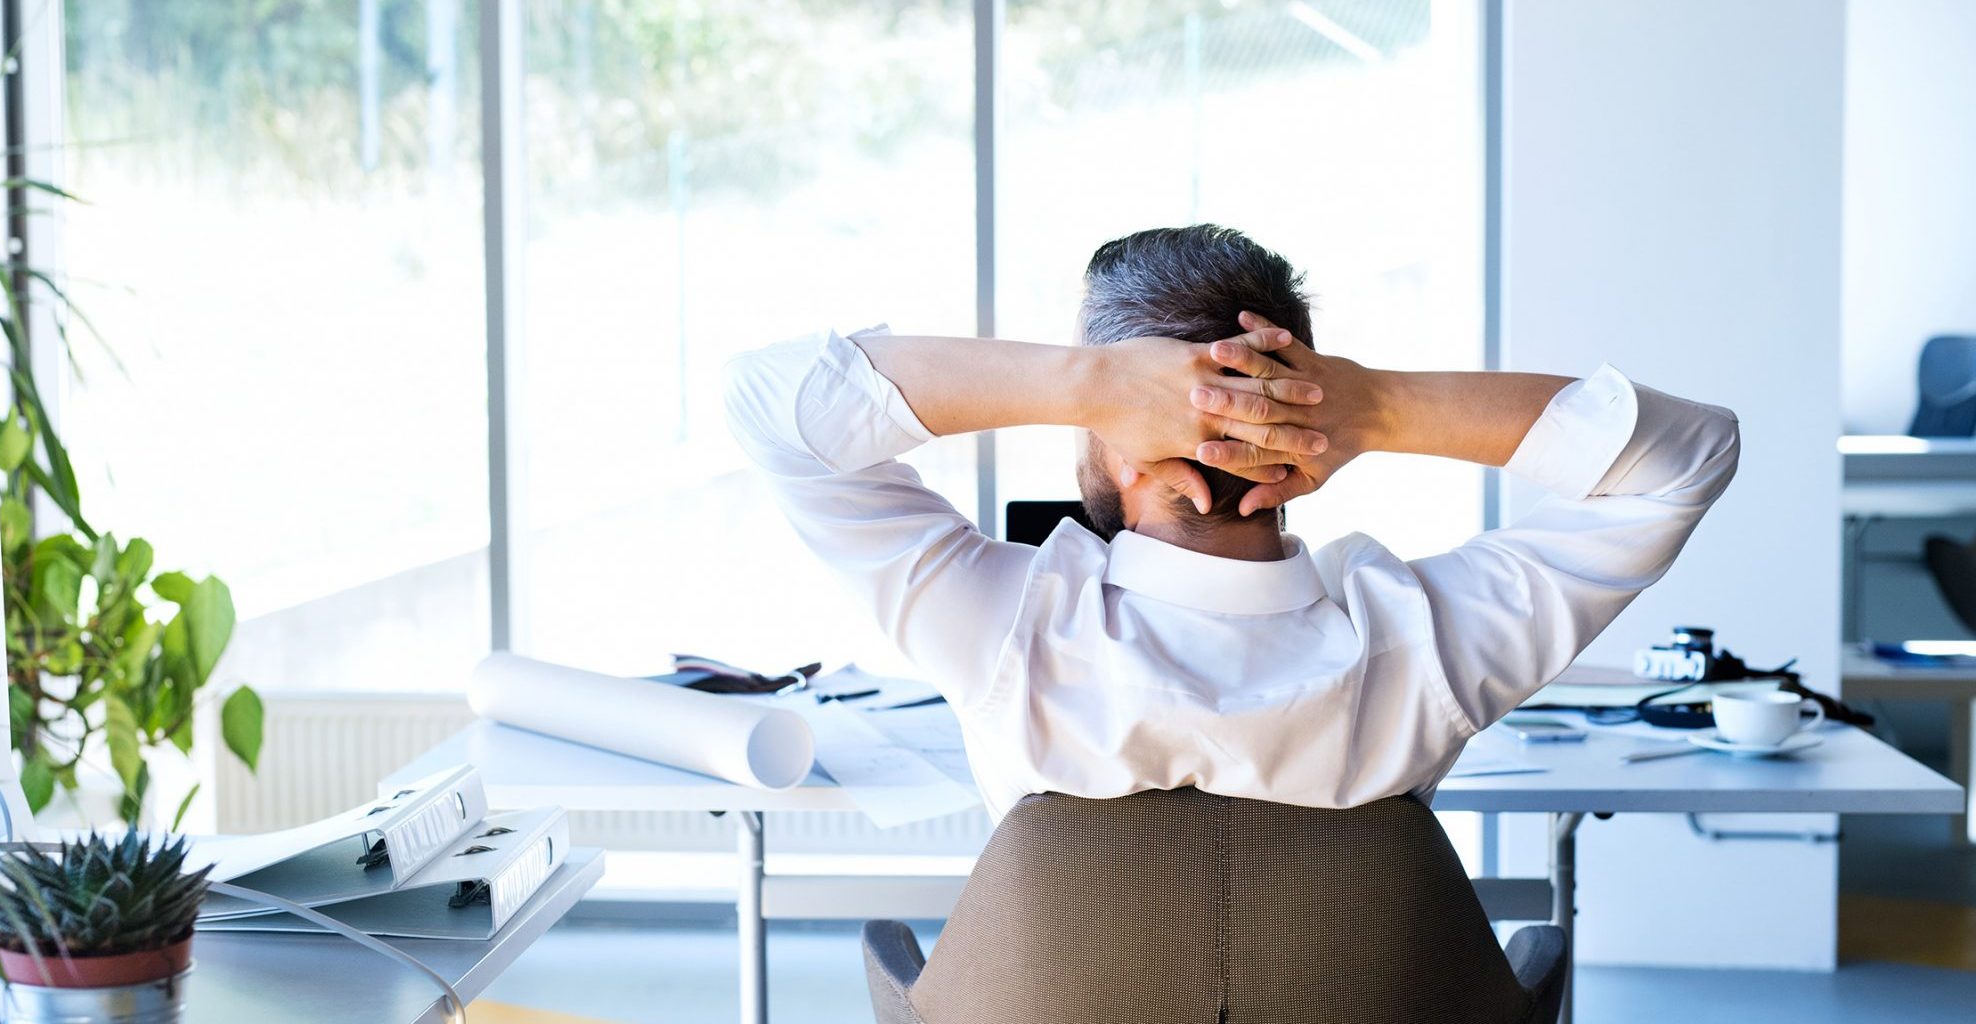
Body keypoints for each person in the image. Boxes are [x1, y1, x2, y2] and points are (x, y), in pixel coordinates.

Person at [724, 224, 1739, 818]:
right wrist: (1373, 405)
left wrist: (1085, 382)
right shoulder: (1431, 641)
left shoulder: (1001, 628)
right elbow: (1689, 454)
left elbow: (770, 405)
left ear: (1116, 432)